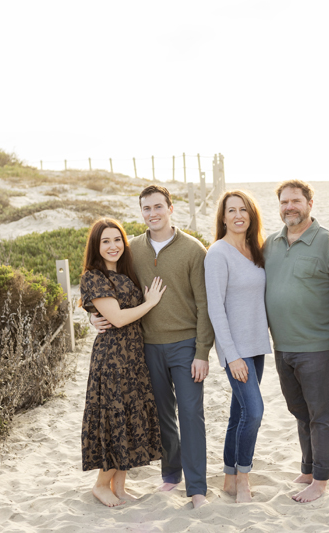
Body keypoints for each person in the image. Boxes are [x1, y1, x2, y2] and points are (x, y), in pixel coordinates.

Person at [91, 185, 214, 509]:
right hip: (145, 347)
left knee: (190, 414)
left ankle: (197, 489)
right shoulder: (132, 249)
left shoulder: (193, 250)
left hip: (185, 345)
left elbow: (205, 305)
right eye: (146, 208)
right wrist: (94, 317)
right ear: (141, 212)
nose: (152, 213)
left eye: (158, 206)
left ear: (170, 208)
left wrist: (202, 352)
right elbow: (107, 284)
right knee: (161, 416)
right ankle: (171, 474)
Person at [263, 179, 329, 503]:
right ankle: (309, 467)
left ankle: (321, 480)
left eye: (295, 201)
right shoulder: (271, 243)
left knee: (320, 413)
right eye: (284, 202)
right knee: (299, 410)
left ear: (310, 203)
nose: (289, 207)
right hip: (282, 346)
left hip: (317, 346)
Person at [79, 218, 166, 507]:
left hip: (133, 356)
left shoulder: (126, 273)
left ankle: (120, 486)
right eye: (105, 241)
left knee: (129, 417)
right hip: (112, 358)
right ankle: (101, 485)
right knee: (114, 418)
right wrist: (150, 303)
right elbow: (116, 318)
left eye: (117, 239)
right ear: (96, 246)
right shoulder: (94, 276)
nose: (113, 245)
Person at [204, 190, 271, 504]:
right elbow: (215, 308)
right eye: (231, 210)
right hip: (236, 350)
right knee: (254, 413)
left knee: (238, 413)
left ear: (251, 214)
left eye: (243, 209)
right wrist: (231, 357)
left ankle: (230, 478)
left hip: (257, 345)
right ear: (223, 217)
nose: (238, 215)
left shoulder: (255, 249)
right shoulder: (218, 253)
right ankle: (243, 479)